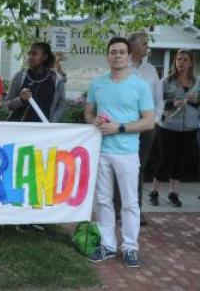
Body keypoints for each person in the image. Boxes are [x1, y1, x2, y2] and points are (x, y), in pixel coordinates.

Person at [85, 37, 154, 268]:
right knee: (103, 201)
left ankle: (130, 248)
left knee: (129, 202)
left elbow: (149, 122)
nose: (117, 55)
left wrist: (120, 127)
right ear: (107, 56)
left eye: (121, 52)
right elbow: (88, 113)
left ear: (128, 56)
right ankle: (107, 245)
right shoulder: (97, 84)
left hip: (127, 152)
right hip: (102, 151)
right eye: (113, 52)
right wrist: (94, 120)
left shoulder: (140, 85)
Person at [113, 33, 162, 226]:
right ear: (132, 46)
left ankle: (136, 211)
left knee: (138, 169)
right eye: (144, 43)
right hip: (126, 127)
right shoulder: (121, 68)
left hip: (147, 127)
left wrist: (156, 119)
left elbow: (159, 99)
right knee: (122, 166)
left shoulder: (150, 70)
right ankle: (118, 209)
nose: (147, 46)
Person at [149, 50, 199, 207]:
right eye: (179, 59)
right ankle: (154, 192)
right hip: (168, 127)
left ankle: (173, 193)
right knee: (165, 160)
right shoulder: (166, 81)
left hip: (189, 128)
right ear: (175, 62)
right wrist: (173, 103)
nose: (181, 62)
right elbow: (156, 103)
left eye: (185, 60)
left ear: (190, 62)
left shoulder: (197, 82)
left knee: (180, 162)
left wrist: (197, 100)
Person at [6, 42, 66, 123]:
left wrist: (51, 125)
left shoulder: (56, 80)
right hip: (20, 129)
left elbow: (61, 105)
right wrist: (21, 100)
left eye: (34, 54)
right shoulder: (19, 76)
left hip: (43, 131)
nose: (30, 57)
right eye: (29, 54)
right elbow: (8, 105)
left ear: (45, 57)